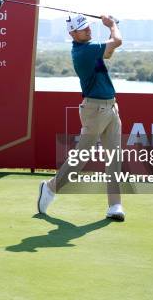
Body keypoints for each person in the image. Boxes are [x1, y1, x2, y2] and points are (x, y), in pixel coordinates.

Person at [37, 13, 125, 221]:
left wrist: (110, 31)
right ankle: (49, 188)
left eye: (88, 26)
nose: (88, 29)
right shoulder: (84, 51)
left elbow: (110, 53)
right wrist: (111, 25)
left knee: (115, 158)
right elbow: (118, 41)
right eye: (82, 28)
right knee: (81, 158)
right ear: (72, 33)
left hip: (111, 107)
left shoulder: (91, 48)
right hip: (94, 110)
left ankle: (115, 205)